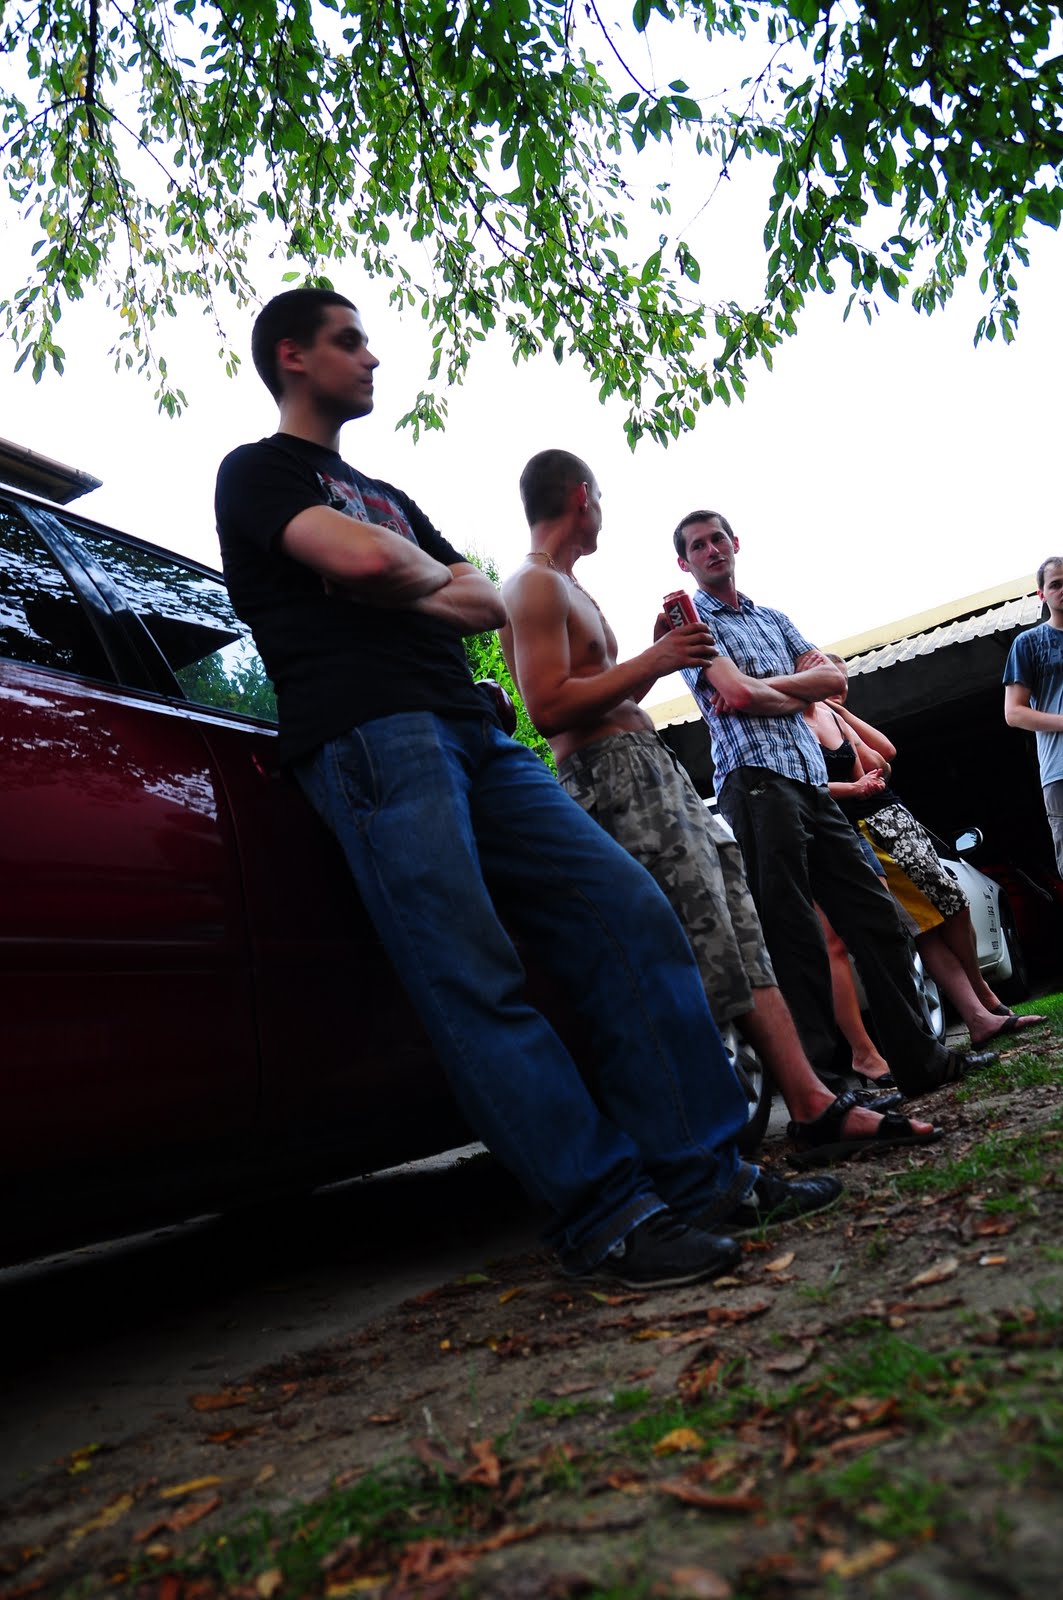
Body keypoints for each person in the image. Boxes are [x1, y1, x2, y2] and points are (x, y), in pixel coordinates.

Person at [213, 289, 840, 1290]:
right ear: (292, 355)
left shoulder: (381, 490)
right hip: (371, 737)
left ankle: (705, 1175)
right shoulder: (258, 472)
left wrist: (386, 574)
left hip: (479, 736)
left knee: (630, 913)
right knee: (474, 973)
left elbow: (475, 601)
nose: (371, 357)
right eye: (349, 340)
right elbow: (371, 558)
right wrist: (397, 571)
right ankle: (606, 1216)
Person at [499, 449, 940, 1164]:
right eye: (600, 499)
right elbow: (547, 709)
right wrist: (657, 660)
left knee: (738, 933)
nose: (602, 512)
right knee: (701, 947)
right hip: (616, 781)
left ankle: (815, 1106)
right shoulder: (531, 585)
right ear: (582, 497)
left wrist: (650, 660)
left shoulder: (567, 585)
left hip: (653, 771)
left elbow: (602, 692)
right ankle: (721, 1137)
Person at [670, 507, 996, 1100]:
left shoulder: (772, 617)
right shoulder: (692, 626)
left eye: (718, 538)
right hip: (756, 782)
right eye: (698, 545)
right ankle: (830, 1091)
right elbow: (736, 693)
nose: (712, 549)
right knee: (795, 936)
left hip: (812, 783)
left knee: (877, 917)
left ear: (736, 543)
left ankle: (921, 1061)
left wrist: (764, 690)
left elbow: (834, 683)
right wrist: (785, 689)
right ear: (684, 562)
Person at [805, 661, 1046, 1048]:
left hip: (892, 815)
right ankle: (982, 1005)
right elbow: (843, 778)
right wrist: (859, 781)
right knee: (928, 923)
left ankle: (981, 1005)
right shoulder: (796, 725)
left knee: (946, 910)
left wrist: (842, 715)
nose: (838, 686)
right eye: (829, 677)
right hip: (867, 829)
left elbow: (882, 758)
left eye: (842, 681)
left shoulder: (832, 716)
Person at [1004, 556, 1063, 878]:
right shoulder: (1028, 643)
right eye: (1056, 584)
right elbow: (1013, 713)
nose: (1062, 590)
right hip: (1060, 771)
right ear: (1042, 594)